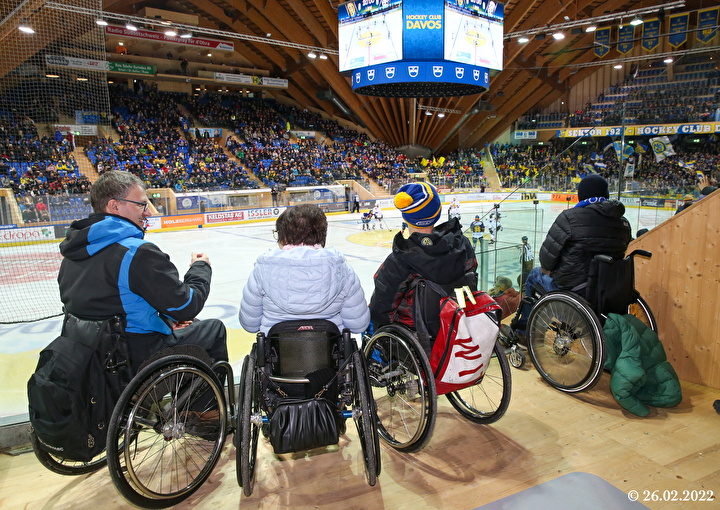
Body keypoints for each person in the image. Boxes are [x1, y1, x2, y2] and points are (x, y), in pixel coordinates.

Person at [57, 170, 227, 375]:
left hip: (93, 356)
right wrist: (200, 267)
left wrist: (166, 321)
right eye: (141, 205)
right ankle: (201, 407)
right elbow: (186, 305)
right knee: (213, 329)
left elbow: (113, 305)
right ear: (115, 206)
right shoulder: (136, 253)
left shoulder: (73, 254)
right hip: (131, 358)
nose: (148, 212)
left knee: (186, 325)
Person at [369, 182, 477, 348]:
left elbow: (380, 309)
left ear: (406, 217)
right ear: (437, 212)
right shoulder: (463, 245)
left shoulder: (399, 260)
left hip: (416, 342)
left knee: (368, 324)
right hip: (456, 328)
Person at [239, 204, 370, 335]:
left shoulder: (261, 271)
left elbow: (250, 324)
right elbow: (357, 325)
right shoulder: (343, 270)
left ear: (283, 237)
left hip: (276, 352)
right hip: (331, 352)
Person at [524, 174, 632, 297]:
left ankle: (526, 317)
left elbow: (546, 259)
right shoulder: (623, 223)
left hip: (575, 290)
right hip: (610, 287)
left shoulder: (569, 218)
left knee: (534, 275)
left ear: (581, 195)